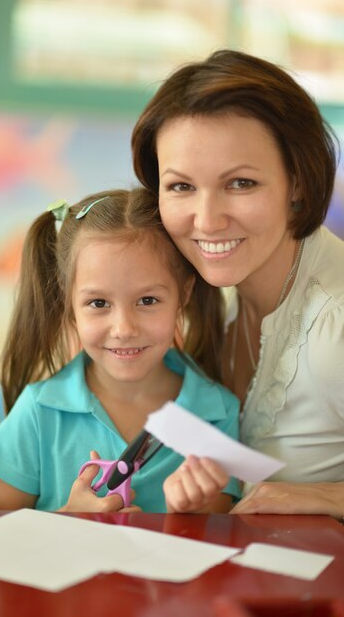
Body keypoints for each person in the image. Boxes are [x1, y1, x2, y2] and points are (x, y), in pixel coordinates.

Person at [131, 49, 344, 518]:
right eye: (181, 186)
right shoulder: (214, 295)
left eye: (241, 184)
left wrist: (326, 497)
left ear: (299, 183)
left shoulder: (335, 326)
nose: (206, 220)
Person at [0, 187, 240, 514]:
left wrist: (189, 513)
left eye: (147, 301)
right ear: (68, 304)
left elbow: (223, 531)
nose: (124, 329)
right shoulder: (38, 412)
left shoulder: (218, 413)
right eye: (98, 303)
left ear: (183, 292)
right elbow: (1, 539)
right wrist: (69, 519)